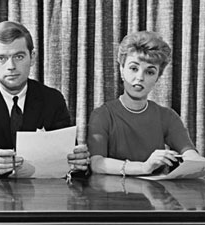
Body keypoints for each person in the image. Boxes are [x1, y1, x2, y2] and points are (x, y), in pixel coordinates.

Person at [0, 21, 89, 177]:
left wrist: (77, 161)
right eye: (1, 58)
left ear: (32, 57)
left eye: (19, 57)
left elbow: (68, 154)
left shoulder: (52, 99)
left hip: (43, 193)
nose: (11, 66)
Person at [87, 31, 204, 176]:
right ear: (121, 69)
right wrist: (144, 167)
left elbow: (190, 154)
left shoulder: (167, 116)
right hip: (113, 194)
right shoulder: (102, 115)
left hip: (156, 195)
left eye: (149, 72)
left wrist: (197, 163)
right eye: (134, 68)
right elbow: (96, 163)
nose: (140, 77)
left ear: (157, 77)